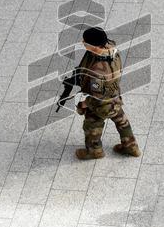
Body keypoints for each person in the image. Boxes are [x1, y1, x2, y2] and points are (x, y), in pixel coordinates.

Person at [59, 27, 140, 160]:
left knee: (91, 126)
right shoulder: (112, 50)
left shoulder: (98, 71)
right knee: (122, 121)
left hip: (102, 105)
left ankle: (94, 151)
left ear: (94, 46)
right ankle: (131, 147)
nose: (83, 43)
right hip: (115, 97)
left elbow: (97, 97)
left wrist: (84, 103)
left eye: (85, 42)